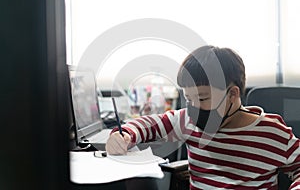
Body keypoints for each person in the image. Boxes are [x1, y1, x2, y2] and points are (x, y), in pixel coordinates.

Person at [106, 45, 300, 189]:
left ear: (232, 94)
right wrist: (124, 135)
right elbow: (151, 124)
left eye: (203, 98)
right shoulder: (187, 122)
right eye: (189, 99)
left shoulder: (273, 132)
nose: (194, 107)